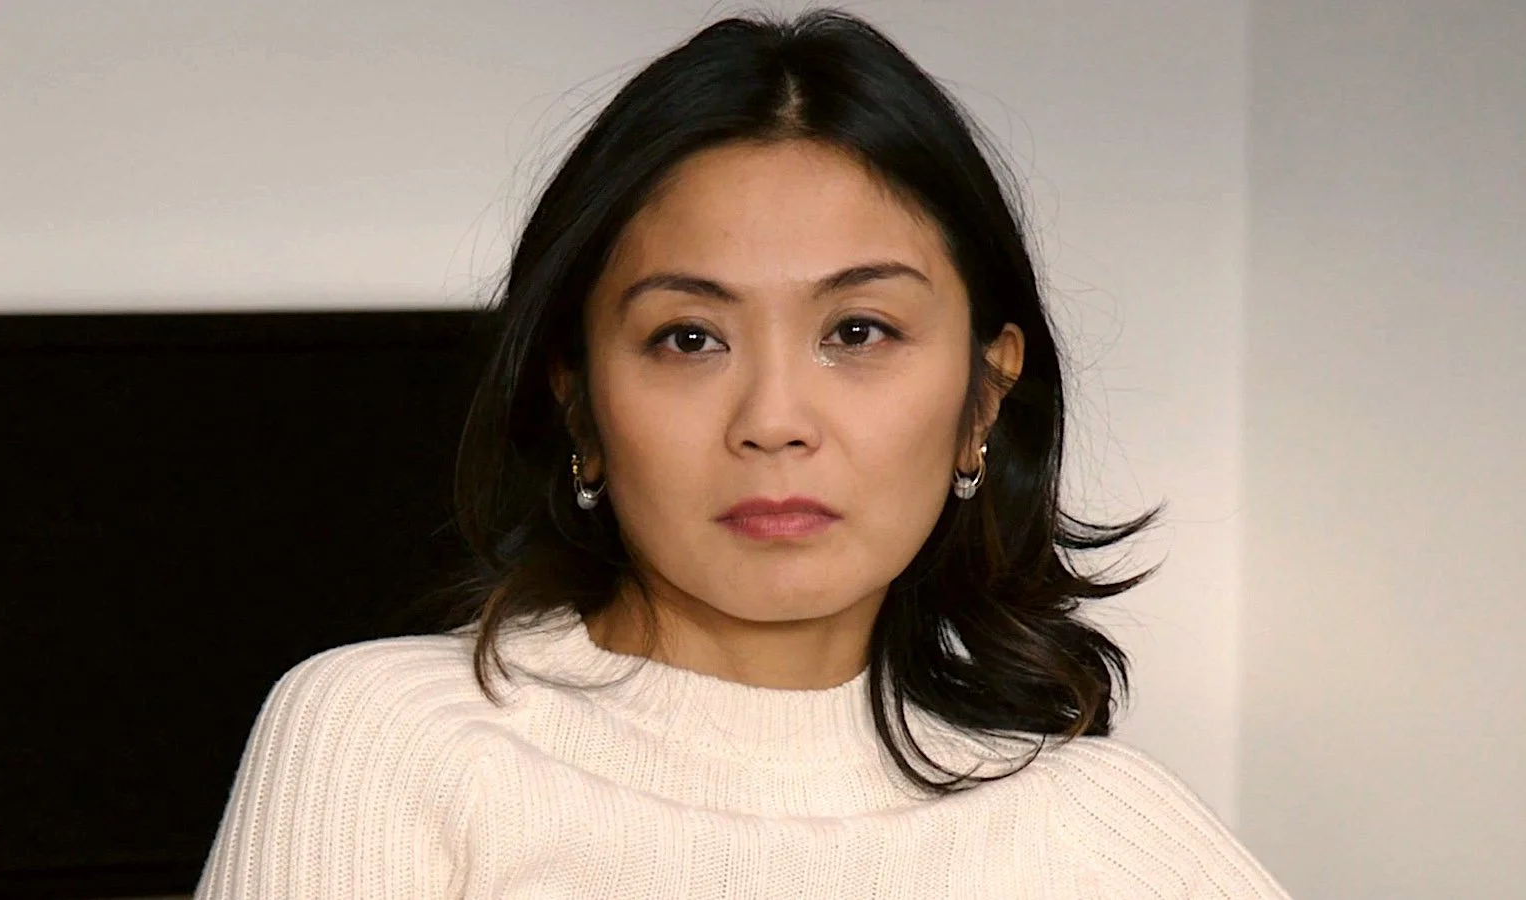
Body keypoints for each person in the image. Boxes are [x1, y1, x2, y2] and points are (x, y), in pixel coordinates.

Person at [196, 9, 1291, 898]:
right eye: (688, 338)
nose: (773, 419)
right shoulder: (384, 743)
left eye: (858, 333)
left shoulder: (1093, 833)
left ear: (982, 398)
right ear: (577, 403)